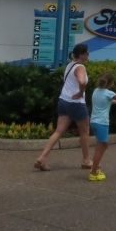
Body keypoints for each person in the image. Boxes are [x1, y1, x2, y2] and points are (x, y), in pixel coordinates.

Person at [35, 44, 93, 172]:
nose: (88, 55)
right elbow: (82, 82)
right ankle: (86, 160)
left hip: (63, 101)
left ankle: (42, 157)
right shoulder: (80, 67)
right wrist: (80, 92)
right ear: (82, 54)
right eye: (87, 53)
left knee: (58, 131)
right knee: (85, 131)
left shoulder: (70, 65)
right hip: (76, 103)